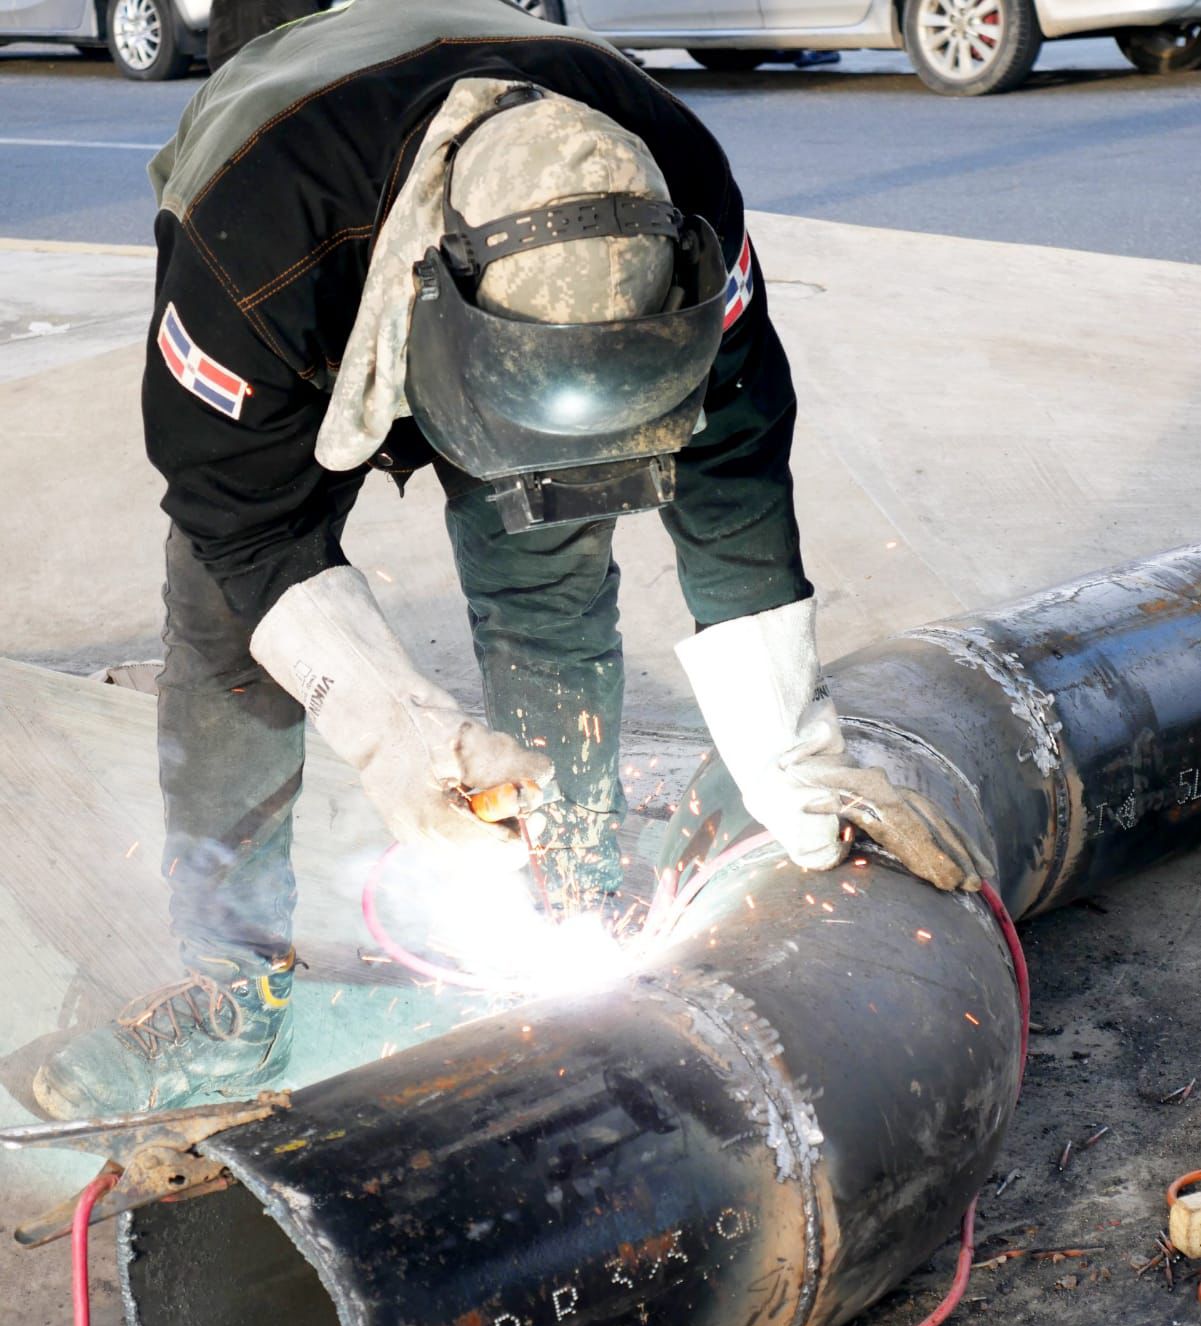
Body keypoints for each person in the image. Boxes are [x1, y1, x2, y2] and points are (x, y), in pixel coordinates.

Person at [35, 0, 984, 1122]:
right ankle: (231, 992)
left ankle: (574, 899)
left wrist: (793, 755)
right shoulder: (247, 255)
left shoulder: (686, 201)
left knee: (547, 583)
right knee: (225, 635)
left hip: (515, 281)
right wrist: (393, 727)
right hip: (315, 259)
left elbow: (733, 485)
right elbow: (240, 525)